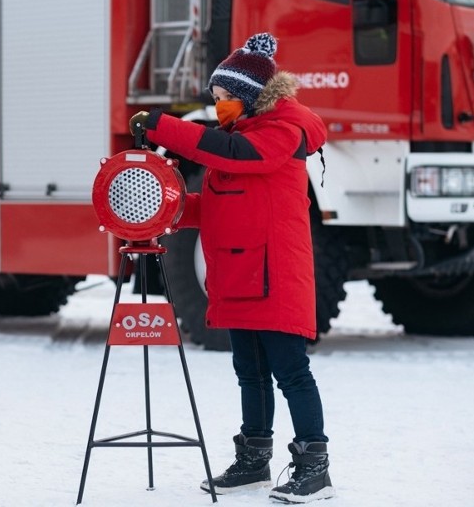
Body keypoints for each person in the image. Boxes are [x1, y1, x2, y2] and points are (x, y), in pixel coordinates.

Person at [129, 33, 334, 503]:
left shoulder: (281, 133)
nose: (218, 106)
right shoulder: (238, 138)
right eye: (216, 99)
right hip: (241, 276)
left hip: (276, 275)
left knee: (291, 372)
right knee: (249, 371)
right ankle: (253, 460)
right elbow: (219, 205)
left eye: (223, 98)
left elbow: (237, 157)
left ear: (248, 96)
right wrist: (164, 206)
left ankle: (314, 466)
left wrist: (163, 127)